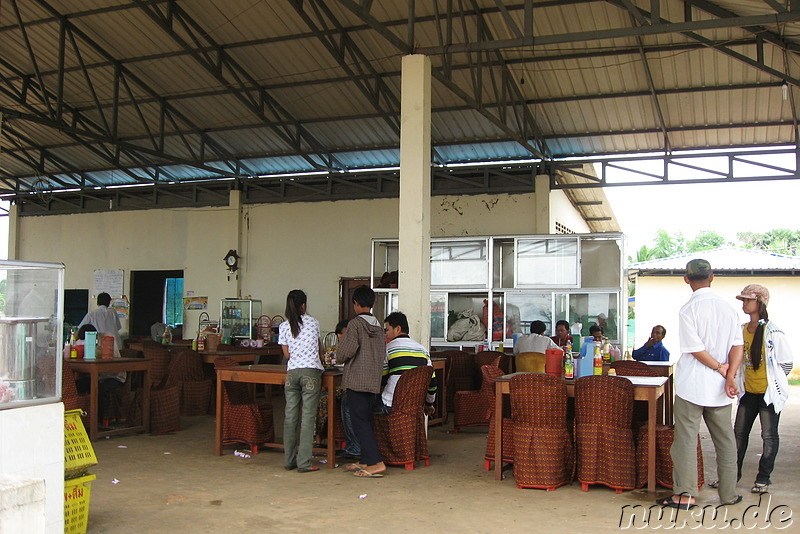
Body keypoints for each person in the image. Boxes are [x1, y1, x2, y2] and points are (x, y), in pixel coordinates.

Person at [658, 259, 743, 510]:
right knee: (725, 440)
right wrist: (729, 375)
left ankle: (685, 495)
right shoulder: (728, 309)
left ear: (687, 279)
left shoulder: (688, 309)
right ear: (712, 277)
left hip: (692, 386)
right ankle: (729, 494)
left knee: (685, 439)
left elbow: (695, 349)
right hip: (720, 388)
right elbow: (737, 346)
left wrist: (719, 367)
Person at [729, 284, 792, 493]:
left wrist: (774, 382)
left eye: (748, 300)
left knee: (769, 436)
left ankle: (763, 479)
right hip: (748, 393)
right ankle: (731, 476)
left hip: (768, 395)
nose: (744, 304)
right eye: (743, 300)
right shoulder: (741, 331)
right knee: (738, 434)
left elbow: (786, 363)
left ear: (760, 302)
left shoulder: (774, 332)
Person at [335, 285, 387, 478]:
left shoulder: (356, 324)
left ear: (356, 304)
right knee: (366, 419)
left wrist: (338, 355)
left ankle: (375, 462)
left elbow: (344, 352)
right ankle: (365, 459)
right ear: (372, 304)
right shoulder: (378, 325)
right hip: (373, 379)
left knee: (359, 422)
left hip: (357, 379)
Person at [278, 290, 324, 473]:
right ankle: (304, 462)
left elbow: (287, 355)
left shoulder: (283, 326)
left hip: (292, 374)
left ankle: (289, 461)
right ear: (303, 305)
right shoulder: (313, 323)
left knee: (290, 416)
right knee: (308, 418)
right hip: (311, 373)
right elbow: (320, 350)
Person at [380, 312, 437, 415]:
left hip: (390, 406)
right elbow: (432, 383)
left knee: (353, 404)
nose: (386, 334)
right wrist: (429, 404)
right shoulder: (423, 351)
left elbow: (382, 380)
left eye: (387, 330)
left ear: (397, 329)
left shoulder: (387, 349)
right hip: (414, 407)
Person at [79, 292, 123, 356]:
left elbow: (81, 328)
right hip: (115, 345)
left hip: (99, 346)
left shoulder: (92, 313)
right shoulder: (113, 312)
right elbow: (118, 327)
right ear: (109, 302)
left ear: (97, 302)